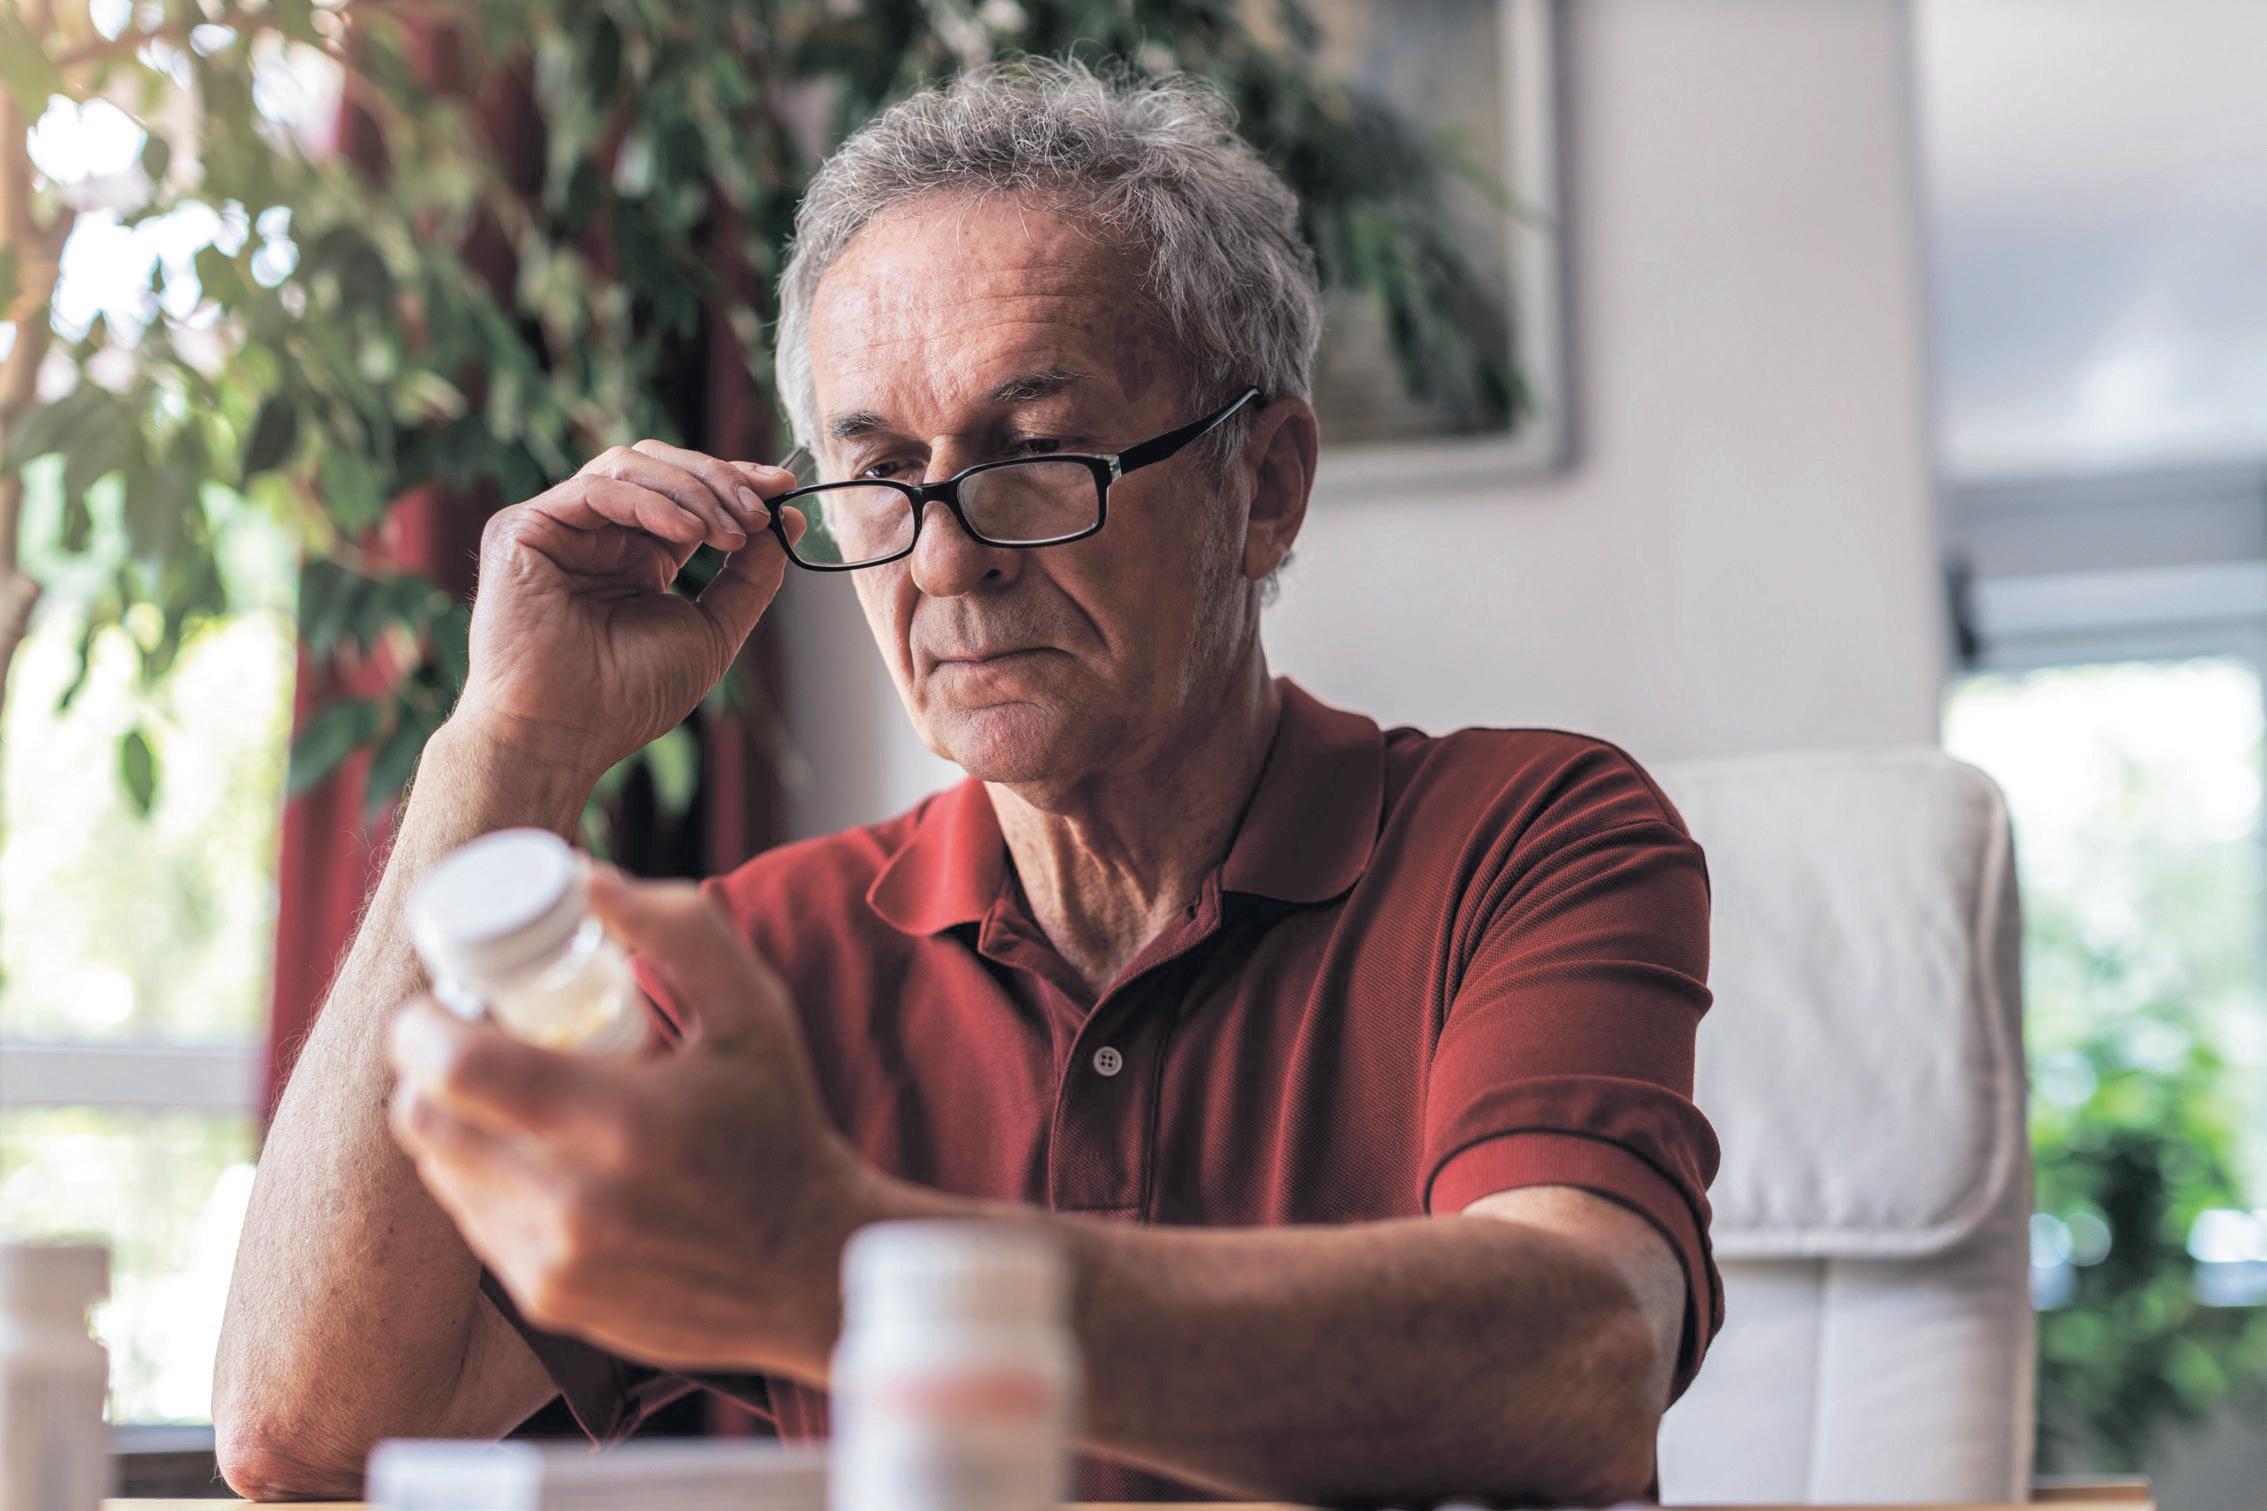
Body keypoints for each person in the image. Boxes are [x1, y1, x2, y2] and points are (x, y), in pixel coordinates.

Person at [214, 59, 1720, 1506]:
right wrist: (511, 745)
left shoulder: (1526, 840)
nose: (943, 559)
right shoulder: (755, 967)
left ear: (1263, 489)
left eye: (1039, 454)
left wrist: (833, 1262)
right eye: (879, 476)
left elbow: (1582, 1363)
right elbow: (309, 1432)